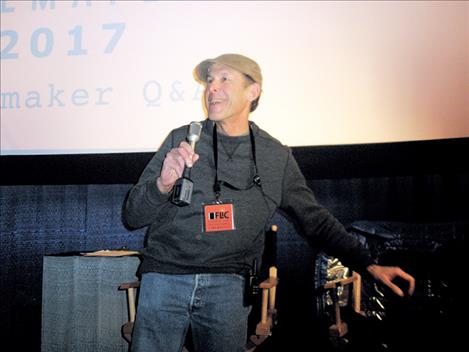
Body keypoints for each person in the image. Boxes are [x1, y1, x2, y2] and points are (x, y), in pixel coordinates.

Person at [124, 53, 415, 352]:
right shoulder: (182, 140)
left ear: (253, 92)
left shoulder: (275, 157)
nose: (212, 88)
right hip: (165, 276)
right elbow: (132, 215)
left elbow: (316, 221)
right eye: (210, 80)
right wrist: (162, 185)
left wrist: (368, 265)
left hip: (230, 285)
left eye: (225, 79)